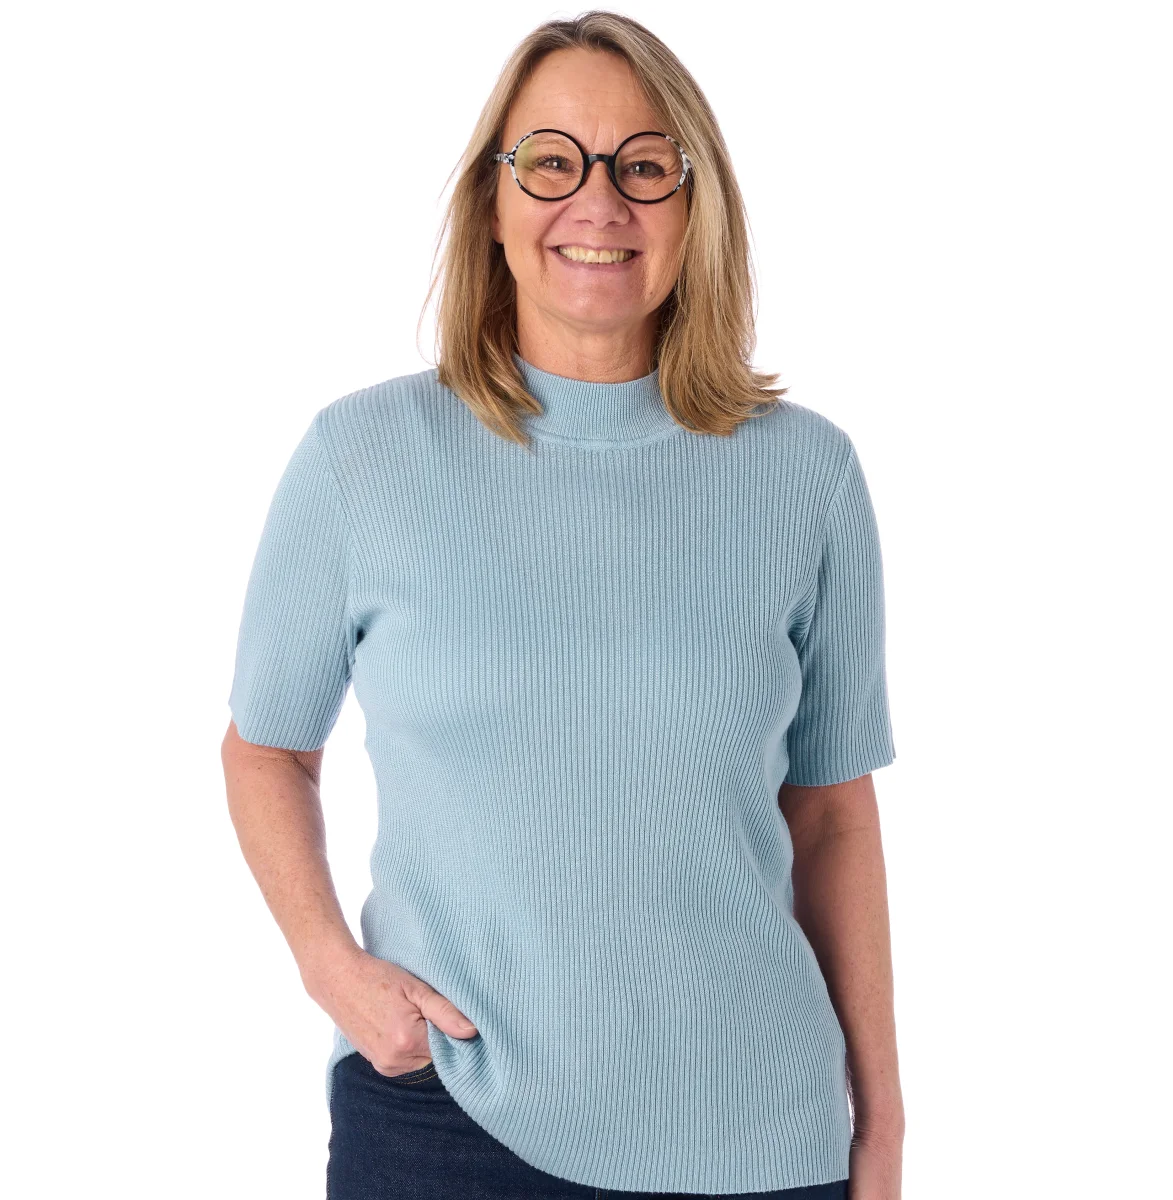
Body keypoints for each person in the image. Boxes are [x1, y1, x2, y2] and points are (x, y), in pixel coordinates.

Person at [222, 11, 903, 1200]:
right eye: (550, 161)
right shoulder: (361, 458)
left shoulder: (807, 476)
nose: (598, 202)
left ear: (696, 206)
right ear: (492, 201)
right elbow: (266, 748)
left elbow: (834, 816)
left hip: (756, 1130)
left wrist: (882, 1133)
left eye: (644, 165)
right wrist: (331, 967)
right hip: (445, 1118)